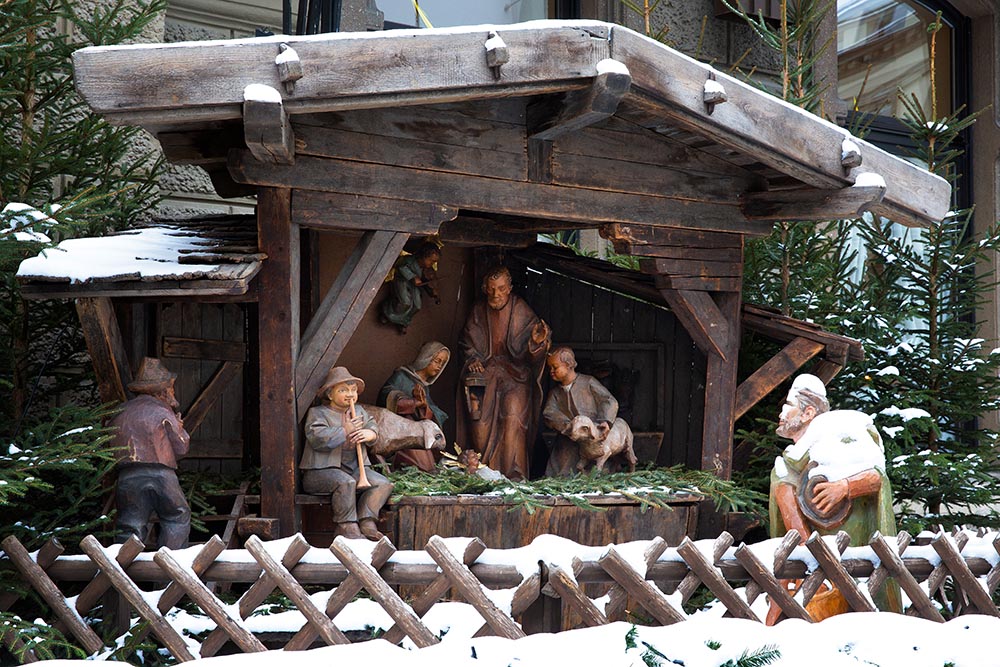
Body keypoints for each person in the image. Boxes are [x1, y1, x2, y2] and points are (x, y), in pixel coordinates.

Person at [768, 373, 900, 621]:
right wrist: (815, 560)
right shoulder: (787, 465)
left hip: (859, 557)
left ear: (807, 413)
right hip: (821, 568)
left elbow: (876, 477)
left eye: (788, 405)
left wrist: (844, 487)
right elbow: (794, 524)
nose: (782, 413)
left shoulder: (840, 441)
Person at [458, 266, 550, 480]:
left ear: (509, 288)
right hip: (487, 374)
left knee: (512, 417)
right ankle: (482, 472)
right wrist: (473, 359)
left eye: (500, 289)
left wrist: (536, 343)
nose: (496, 294)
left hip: (516, 376)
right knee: (479, 424)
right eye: (491, 289)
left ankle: (513, 475)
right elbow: (466, 343)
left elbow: (536, 348)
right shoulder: (478, 311)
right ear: (485, 289)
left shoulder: (521, 310)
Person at [302, 367, 393, 540]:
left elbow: (373, 427)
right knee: (346, 483)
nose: (350, 394)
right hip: (321, 472)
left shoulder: (359, 411)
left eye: (353, 390)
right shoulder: (318, 413)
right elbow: (317, 438)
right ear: (330, 394)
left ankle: (367, 520)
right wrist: (345, 430)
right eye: (343, 390)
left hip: (354, 469)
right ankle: (347, 526)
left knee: (383, 484)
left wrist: (370, 434)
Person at [110, 357, 191, 549]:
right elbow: (181, 448)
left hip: (127, 476)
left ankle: (124, 564)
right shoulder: (163, 412)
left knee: (130, 523)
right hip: (161, 475)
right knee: (176, 516)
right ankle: (171, 561)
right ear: (162, 391)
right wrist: (180, 428)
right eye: (171, 388)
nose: (173, 392)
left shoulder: (119, 412)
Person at [542, 346, 620, 476]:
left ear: (569, 365)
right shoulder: (555, 393)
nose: (551, 371)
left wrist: (605, 421)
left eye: (555, 367)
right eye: (550, 368)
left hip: (592, 436)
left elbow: (608, 400)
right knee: (562, 469)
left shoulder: (588, 382)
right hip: (568, 440)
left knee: (597, 462)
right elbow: (549, 413)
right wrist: (567, 426)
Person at [378, 341, 451, 471]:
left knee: (428, 463)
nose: (439, 366)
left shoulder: (424, 386)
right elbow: (386, 396)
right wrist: (413, 403)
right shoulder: (401, 376)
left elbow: (430, 410)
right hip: (400, 431)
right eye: (437, 361)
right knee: (421, 465)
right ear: (426, 358)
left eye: (443, 363)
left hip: (420, 432)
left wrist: (424, 406)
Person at [379, 242, 441, 333]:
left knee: (417, 305)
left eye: (434, 262)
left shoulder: (426, 269)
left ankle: (403, 321)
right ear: (423, 256)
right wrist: (412, 277)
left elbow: (427, 281)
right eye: (431, 261)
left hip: (413, 285)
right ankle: (388, 314)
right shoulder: (409, 260)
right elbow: (401, 267)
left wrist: (433, 293)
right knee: (405, 302)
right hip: (402, 280)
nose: (432, 264)